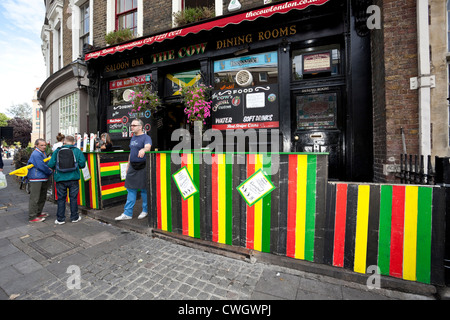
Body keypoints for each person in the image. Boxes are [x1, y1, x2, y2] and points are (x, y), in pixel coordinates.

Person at [115, 119, 152, 221]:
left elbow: (148, 147)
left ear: (140, 127)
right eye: (131, 125)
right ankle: (127, 213)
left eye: (134, 125)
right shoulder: (133, 138)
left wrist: (144, 149)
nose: (131, 127)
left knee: (144, 189)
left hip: (143, 166)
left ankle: (145, 210)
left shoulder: (146, 137)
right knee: (130, 189)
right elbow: (131, 153)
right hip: (132, 167)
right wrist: (128, 165)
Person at [48, 135, 86, 225]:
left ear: (64, 142)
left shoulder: (57, 151)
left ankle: (60, 219)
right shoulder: (77, 151)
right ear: (73, 142)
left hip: (60, 179)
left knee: (61, 199)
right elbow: (82, 164)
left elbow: (50, 164)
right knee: (73, 198)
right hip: (73, 179)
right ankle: (74, 217)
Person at [27, 139, 53, 223]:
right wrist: (50, 171)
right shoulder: (36, 154)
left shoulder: (42, 153)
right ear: (36, 145)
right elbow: (41, 166)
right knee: (35, 198)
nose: (44, 147)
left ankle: (38, 213)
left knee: (42, 196)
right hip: (36, 178)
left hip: (42, 177)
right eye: (41, 145)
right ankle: (32, 216)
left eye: (45, 145)